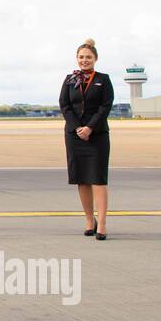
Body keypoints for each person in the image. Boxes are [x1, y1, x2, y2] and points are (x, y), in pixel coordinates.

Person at [58, 38, 114, 239]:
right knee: (81, 179)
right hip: (74, 136)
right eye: (81, 57)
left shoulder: (103, 79)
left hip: (97, 135)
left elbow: (105, 106)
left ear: (95, 58)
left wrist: (90, 127)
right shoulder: (69, 79)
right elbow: (64, 105)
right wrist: (77, 127)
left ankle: (102, 223)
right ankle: (90, 220)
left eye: (88, 57)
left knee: (98, 179)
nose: (84, 60)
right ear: (77, 58)